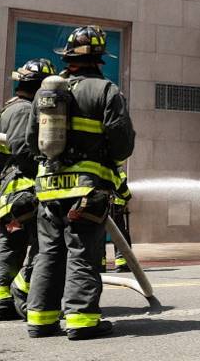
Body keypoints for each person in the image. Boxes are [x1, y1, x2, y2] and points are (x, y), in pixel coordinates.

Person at [25, 26, 135, 340]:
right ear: (100, 58)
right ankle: (82, 320)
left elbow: (33, 143)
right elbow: (122, 145)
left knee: (48, 254)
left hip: (47, 190)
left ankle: (41, 319)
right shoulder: (106, 91)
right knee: (82, 254)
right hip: (86, 190)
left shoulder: (45, 95)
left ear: (68, 57)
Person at [0, 58, 55, 321]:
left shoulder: (6, 110)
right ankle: (21, 291)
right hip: (26, 192)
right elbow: (24, 152)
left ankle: (1, 299)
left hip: (8, 194)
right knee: (42, 246)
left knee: (9, 245)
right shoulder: (26, 111)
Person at [108, 168, 133, 273]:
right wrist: (128, 196)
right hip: (115, 206)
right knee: (120, 234)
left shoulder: (100, 167)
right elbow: (122, 186)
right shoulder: (117, 170)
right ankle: (122, 264)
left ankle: (100, 264)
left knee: (99, 235)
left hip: (102, 205)